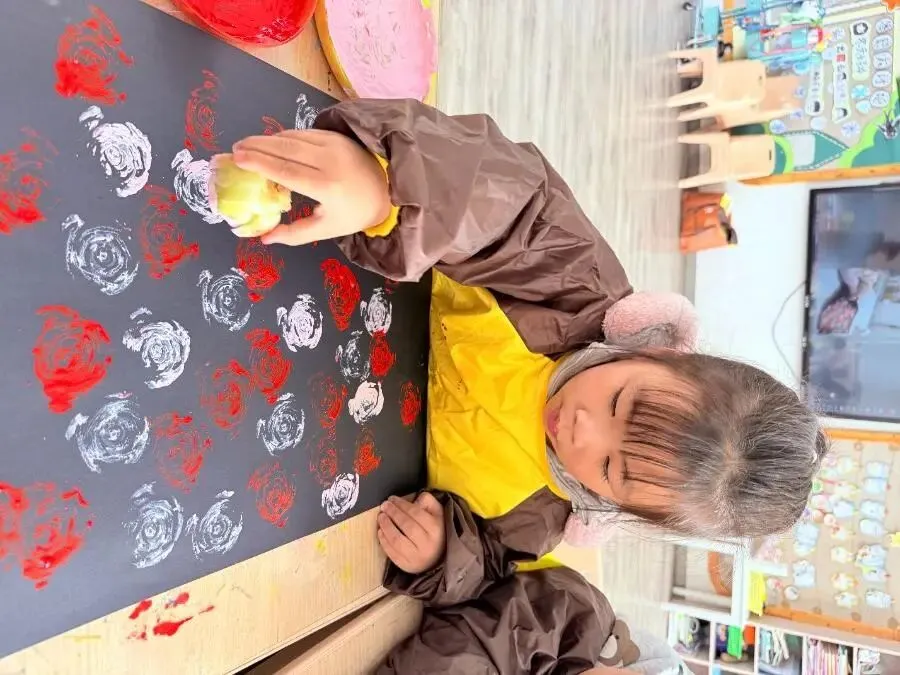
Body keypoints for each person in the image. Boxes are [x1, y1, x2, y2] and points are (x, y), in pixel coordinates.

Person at [228, 99, 827, 673]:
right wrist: (387, 194)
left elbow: (487, 569)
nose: (581, 431)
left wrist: (443, 552)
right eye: (618, 402)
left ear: (619, 506)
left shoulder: (540, 517)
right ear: (659, 352)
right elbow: (503, 199)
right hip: (330, 266)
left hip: (302, 419)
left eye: (611, 468)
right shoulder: (573, 285)